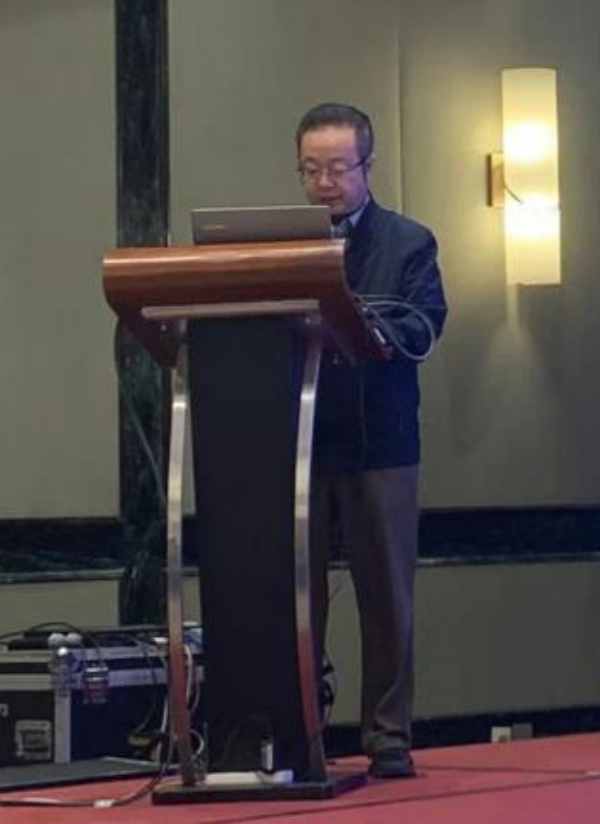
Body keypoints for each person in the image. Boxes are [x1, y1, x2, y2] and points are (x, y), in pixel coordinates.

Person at [295, 102, 447, 779]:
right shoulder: (282, 245)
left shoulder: (408, 242)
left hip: (380, 443)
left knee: (386, 598)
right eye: (311, 170)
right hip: (299, 444)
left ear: (367, 166)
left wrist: (370, 327)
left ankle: (387, 737)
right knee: (297, 600)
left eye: (337, 168)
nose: (324, 183)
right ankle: (298, 730)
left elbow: (424, 324)